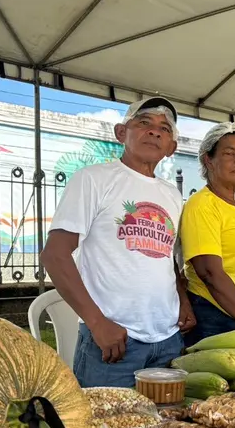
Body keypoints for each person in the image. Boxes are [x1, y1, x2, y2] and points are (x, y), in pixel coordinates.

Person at [42, 97, 195, 388]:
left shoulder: (173, 195)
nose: (154, 131)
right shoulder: (93, 179)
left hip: (168, 339)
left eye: (164, 128)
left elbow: (164, 257)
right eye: (144, 122)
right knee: (105, 419)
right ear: (121, 132)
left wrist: (182, 299)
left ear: (172, 147)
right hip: (114, 341)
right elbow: (55, 255)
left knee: (169, 418)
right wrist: (97, 323)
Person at [180, 123, 235, 345]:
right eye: (230, 153)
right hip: (217, 320)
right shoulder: (202, 204)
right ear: (208, 160)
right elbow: (210, 273)